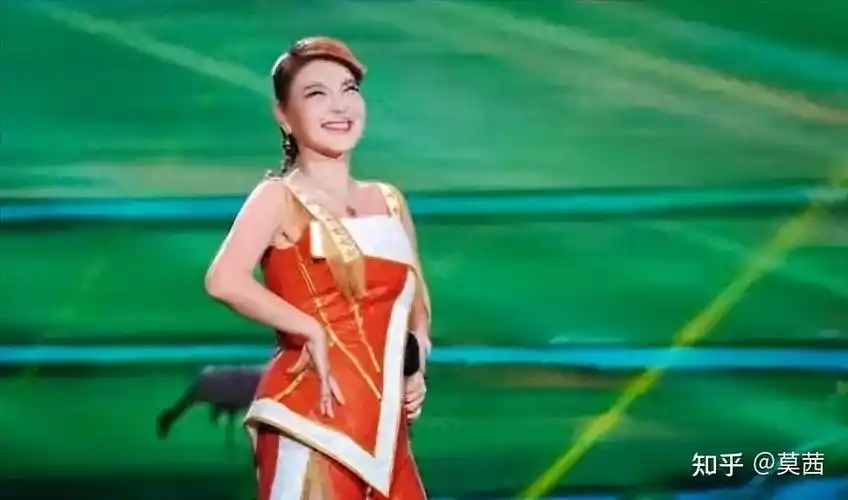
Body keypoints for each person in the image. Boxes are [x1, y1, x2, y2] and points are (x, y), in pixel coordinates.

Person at [204, 36, 432, 499]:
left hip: (385, 437)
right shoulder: (278, 198)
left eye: (349, 89)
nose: (339, 106)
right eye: (316, 94)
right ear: (284, 115)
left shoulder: (389, 200)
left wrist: (415, 364)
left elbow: (416, 304)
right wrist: (308, 327)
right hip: (310, 425)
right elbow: (223, 279)